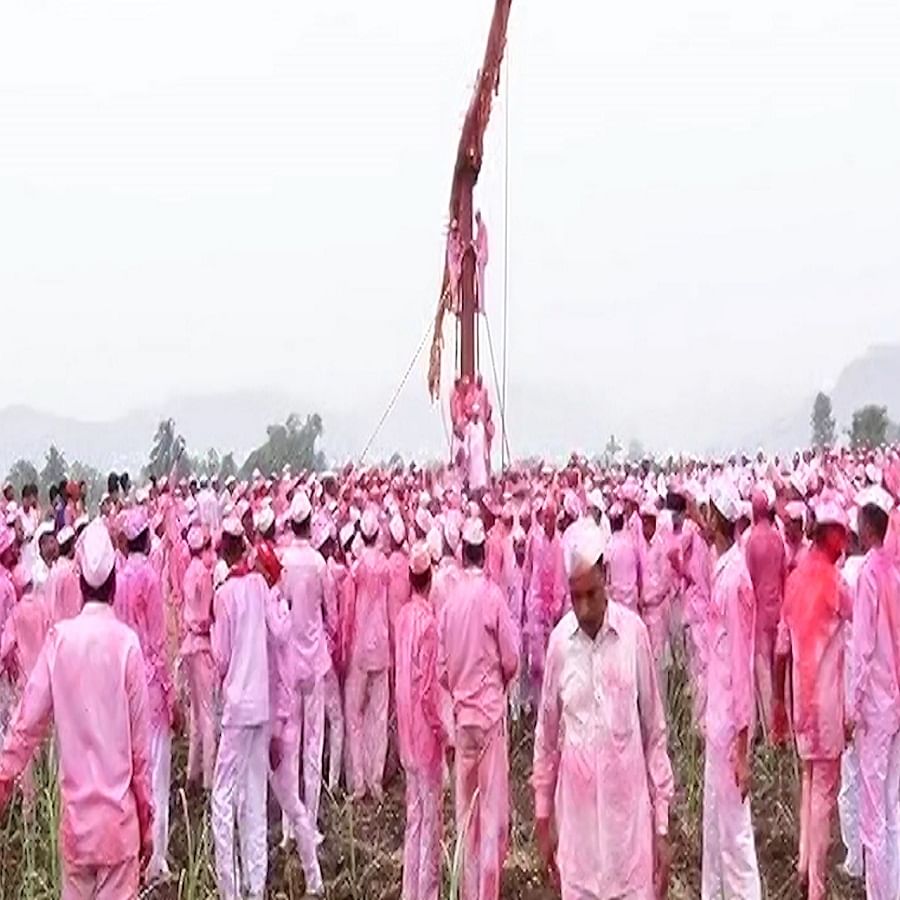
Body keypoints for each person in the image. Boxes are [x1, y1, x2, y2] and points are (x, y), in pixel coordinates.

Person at [0, 519, 153, 899]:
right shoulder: (127, 646)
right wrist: (147, 824)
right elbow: (141, 754)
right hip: (119, 830)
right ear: (113, 582)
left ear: (81, 582)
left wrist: (2, 781)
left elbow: (25, 727)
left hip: (78, 831)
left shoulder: (60, 641)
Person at [533, 519, 674, 899]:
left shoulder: (634, 636)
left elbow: (654, 733)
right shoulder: (560, 644)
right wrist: (543, 818)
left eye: (591, 594)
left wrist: (662, 828)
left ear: (606, 576)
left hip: (628, 843)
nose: (584, 607)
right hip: (579, 844)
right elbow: (546, 739)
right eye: (575, 596)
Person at [773, 501, 851, 900]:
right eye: (842, 533)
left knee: (809, 782)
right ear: (828, 535)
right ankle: (816, 886)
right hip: (826, 706)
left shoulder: (797, 577)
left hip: (802, 702)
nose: (846, 541)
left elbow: (782, 649)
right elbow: (861, 629)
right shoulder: (834, 583)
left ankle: (805, 864)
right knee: (823, 793)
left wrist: (780, 705)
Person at [438, 517, 519, 900]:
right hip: (488, 717)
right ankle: (486, 893)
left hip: (463, 717)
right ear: (484, 554)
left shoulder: (450, 602)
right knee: (491, 814)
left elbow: (441, 669)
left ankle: (466, 890)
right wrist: (496, 682)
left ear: (460, 553)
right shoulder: (491, 597)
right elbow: (512, 658)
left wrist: (461, 688)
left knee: (464, 816)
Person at [701, 482, 761, 900]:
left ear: (714, 519)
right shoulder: (725, 569)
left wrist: (743, 748)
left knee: (735, 835)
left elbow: (740, 665)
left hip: (729, 729)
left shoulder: (733, 579)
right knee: (714, 826)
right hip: (719, 721)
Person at [117, 506, 177, 883]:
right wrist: (171, 695)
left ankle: (132, 852)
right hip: (151, 687)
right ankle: (156, 859)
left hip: (126, 688)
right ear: (146, 538)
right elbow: (156, 643)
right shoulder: (150, 579)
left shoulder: (119, 578)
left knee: (131, 772)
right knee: (157, 776)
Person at [848, 488, 900, 900]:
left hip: (876, 707)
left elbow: (863, 647)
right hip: (896, 702)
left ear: (867, 525)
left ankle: (878, 893)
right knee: (894, 805)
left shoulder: (868, 573)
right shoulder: (895, 570)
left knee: (873, 811)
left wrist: (852, 703)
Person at [396, 543, 447, 900]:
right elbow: (428, 692)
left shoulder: (401, 617)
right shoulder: (428, 625)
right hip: (424, 737)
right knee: (430, 822)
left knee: (414, 819)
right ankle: (425, 892)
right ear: (430, 578)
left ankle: (409, 891)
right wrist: (443, 732)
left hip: (405, 734)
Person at [279, 491, 332, 827]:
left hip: (290, 661)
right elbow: (329, 607)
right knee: (313, 745)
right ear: (309, 524)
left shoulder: (284, 563)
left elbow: (281, 603)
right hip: (314, 661)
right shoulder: (318, 563)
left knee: (291, 745)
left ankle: (289, 824)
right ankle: (308, 823)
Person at [345, 507, 391, 801]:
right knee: (379, 715)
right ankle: (376, 782)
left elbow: (350, 606)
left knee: (354, 715)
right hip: (382, 645)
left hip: (362, 646)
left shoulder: (359, 566)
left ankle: (359, 781)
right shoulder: (385, 565)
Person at [745, 484, 786, 741]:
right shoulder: (777, 537)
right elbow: (783, 575)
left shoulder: (751, 541)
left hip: (759, 611)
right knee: (777, 666)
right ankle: (781, 726)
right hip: (777, 607)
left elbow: (748, 580)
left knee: (764, 673)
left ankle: (770, 729)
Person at [180, 524, 217, 791]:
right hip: (202, 644)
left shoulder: (188, 572)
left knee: (196, 714)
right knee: (207, 715)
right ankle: (209, 779)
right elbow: (206, 615)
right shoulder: (204, 574)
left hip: (188, 645)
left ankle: (193, 771)